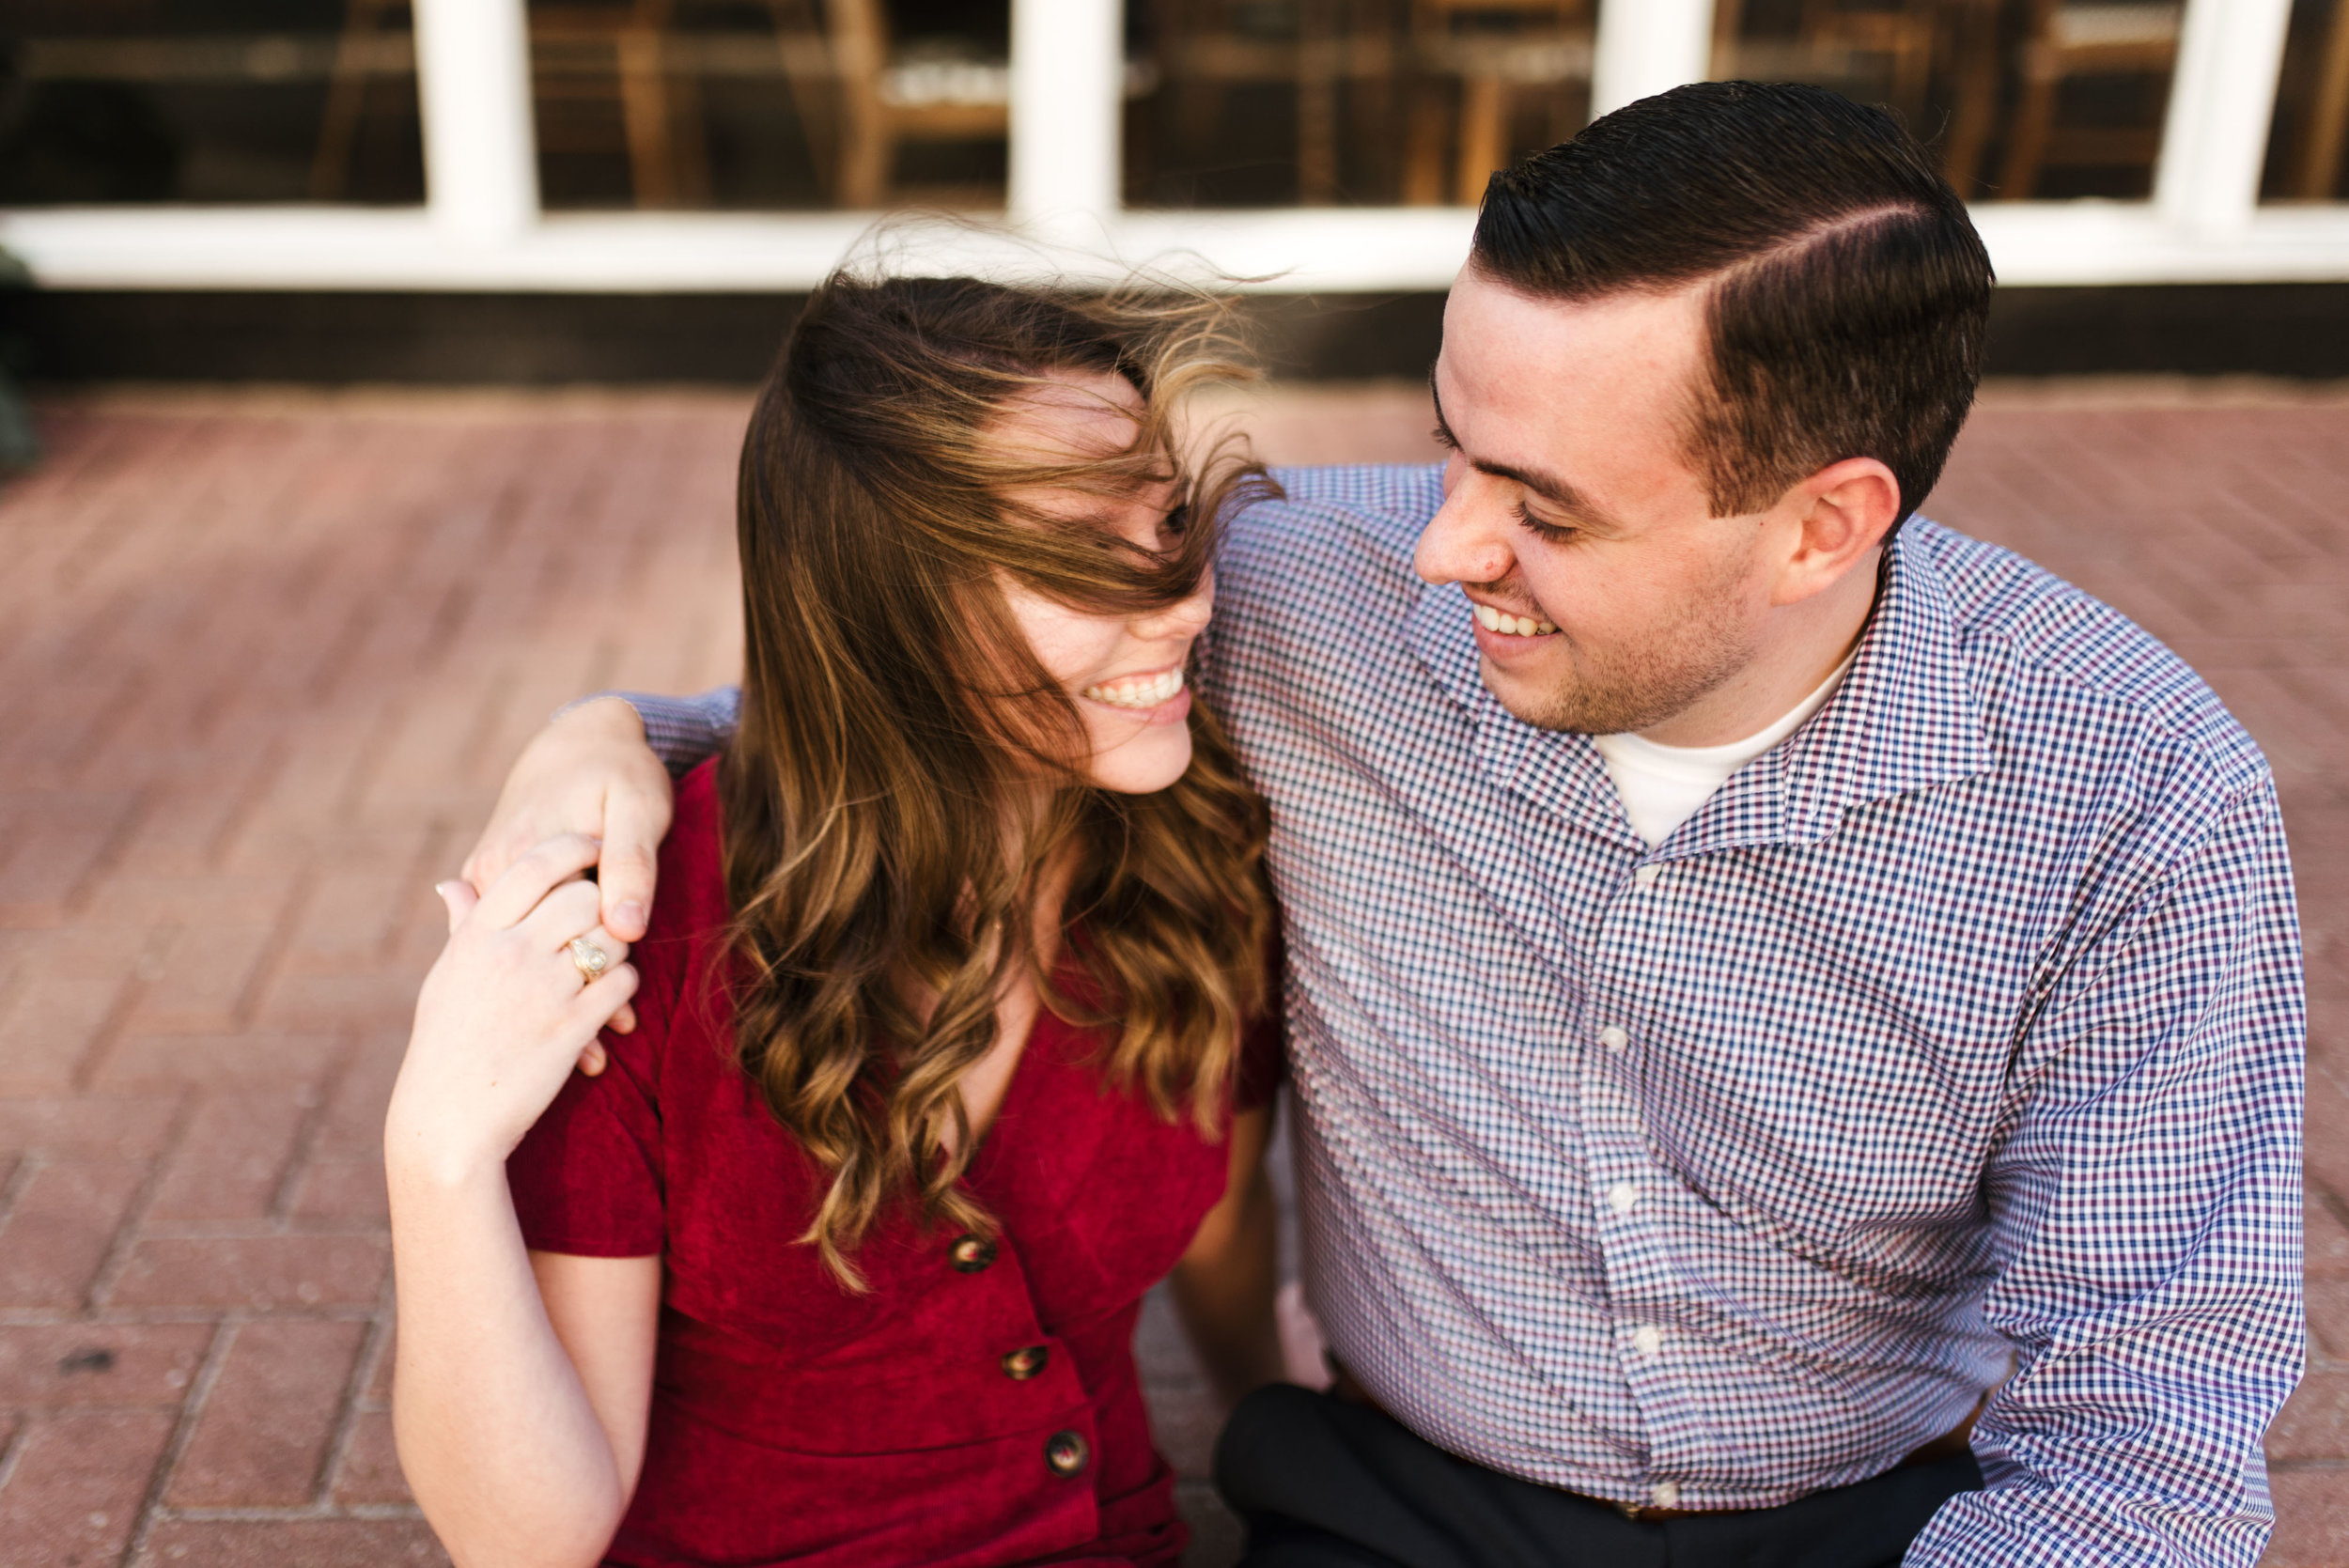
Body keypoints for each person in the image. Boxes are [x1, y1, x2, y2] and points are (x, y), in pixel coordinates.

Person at [464, 84, 2306, 1568]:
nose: (1439, 548)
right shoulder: (1301, 600)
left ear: (1821, 526)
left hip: (1865, 1514)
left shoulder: (2127, 802)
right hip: (1402, 1504)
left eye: (1545, 510)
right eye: (1451, 446)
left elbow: (2146, 1457)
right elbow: (947, 681)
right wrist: (612, 732)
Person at [387, 273, 1296, 1568]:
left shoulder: (1194, 857)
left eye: (1166, 521)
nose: (1181, 598)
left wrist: (1293, 1441)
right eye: (1077, 556)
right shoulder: (650, 930)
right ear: (890, 614)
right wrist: (436, 1152)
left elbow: (1226, 1239)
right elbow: (526, 1539)